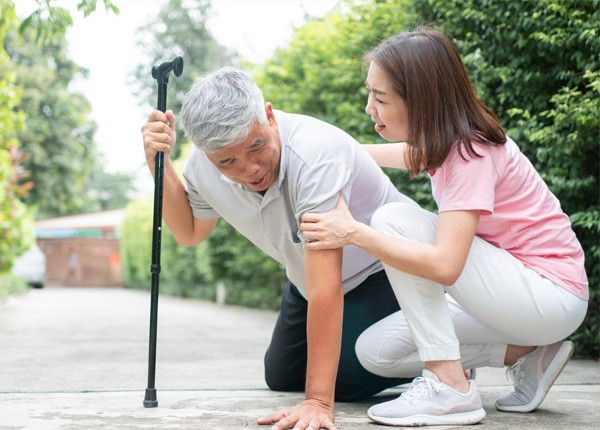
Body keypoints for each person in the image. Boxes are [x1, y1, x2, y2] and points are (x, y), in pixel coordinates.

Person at [300, 27, 589, 427]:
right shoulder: (445, 141)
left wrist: (351, 232)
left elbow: (446, 266)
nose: (370, 108)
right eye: (370, 94)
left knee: (392, 220)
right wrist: (336, 149)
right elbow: (407, 154)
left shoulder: (469, 152)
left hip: (548, 292)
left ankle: (449, 387)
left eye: (380, 98)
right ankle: (524, 352)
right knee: (376, 353)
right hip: (514, 296)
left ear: (421, 101)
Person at [141, 67, 418, 430]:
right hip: (306, 279)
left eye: (256, 146)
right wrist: (157, 161)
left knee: (344, 381)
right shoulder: (203, 166)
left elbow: (326, 285)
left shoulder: (313, 154)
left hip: (386, 269)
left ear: (269, 116)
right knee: (282, 376)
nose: (250, 168)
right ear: (207, 154)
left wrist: (319, 402)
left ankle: (448, 350)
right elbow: (190, 232)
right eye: (227, 161)